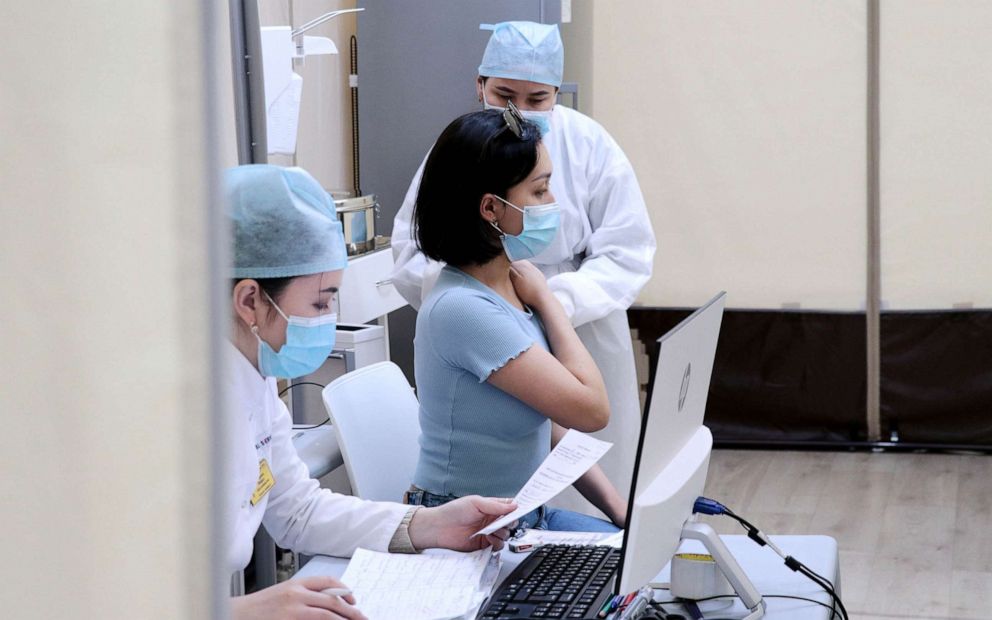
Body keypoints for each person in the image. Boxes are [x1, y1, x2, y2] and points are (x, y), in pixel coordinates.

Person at [223, 164, 517, 620]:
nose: (327, 317)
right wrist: (239, 611)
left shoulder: (254, 373)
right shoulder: (169, 405)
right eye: (320, 302)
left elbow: (297, 510)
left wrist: (430, 525)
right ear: (250, 301)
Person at [391, 21, 655, 517]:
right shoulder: (460, 154)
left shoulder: (591, 145)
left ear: (557, 93)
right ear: (479, 85)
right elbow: (413, 250)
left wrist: (547, 302)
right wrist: (497, 302)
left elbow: (628, 252)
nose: (519, 111)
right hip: (491, 312)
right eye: (505, 94)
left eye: (537, 99)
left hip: (578, 323)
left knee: (597, 495)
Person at [403, 107, 627, 532]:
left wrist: (619, 511)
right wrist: (549, 302)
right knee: (623, 581)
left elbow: (549, 427)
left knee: (634, 564)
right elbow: (592, 410)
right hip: (468, 528)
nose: (552, 203)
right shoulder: (464, 309)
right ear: (491, 208)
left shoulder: (507, 285)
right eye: (540, 191)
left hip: (522, 513)